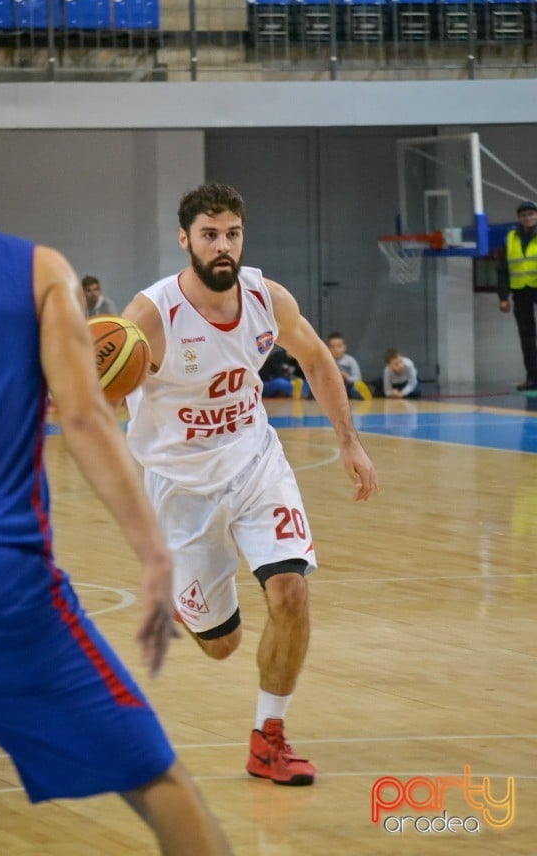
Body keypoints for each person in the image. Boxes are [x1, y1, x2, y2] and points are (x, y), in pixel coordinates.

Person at [0, 83, 234, 856]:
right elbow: (84, 419)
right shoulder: (39, 269)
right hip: (7, 587)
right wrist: (155, 554)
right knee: (161, 786)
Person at [122, 182, 379, 787]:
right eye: (209, 235)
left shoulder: (268, 298)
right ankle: (186, 600)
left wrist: (349, 440)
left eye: (232, 234)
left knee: (290, 592)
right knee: (222, 645)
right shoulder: (150, 317)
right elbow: (88, 387)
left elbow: (316, 358)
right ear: (184, 240)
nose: (223, 247)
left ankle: (270, 738)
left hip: (256, 464)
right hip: (180, 490)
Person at [497, 200, 537, 391]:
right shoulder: (511, 237)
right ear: (519, 219)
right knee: (526, 336)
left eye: (531, 214)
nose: (527, 218)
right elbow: (503, 270)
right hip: (521, 291)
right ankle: (532, 377)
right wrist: (503, 297)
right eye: (523, 215)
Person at [327, 331, 372, 400]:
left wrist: (347, 378)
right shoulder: (326, 361)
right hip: (332, 387)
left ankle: (362, 394)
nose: (336, 349)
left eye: (339, 346)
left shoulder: (351, 361)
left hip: (348, 386)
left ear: (344, 347)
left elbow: (358, 377)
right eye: (332, 347)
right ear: (328, 348)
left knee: (356, 387)